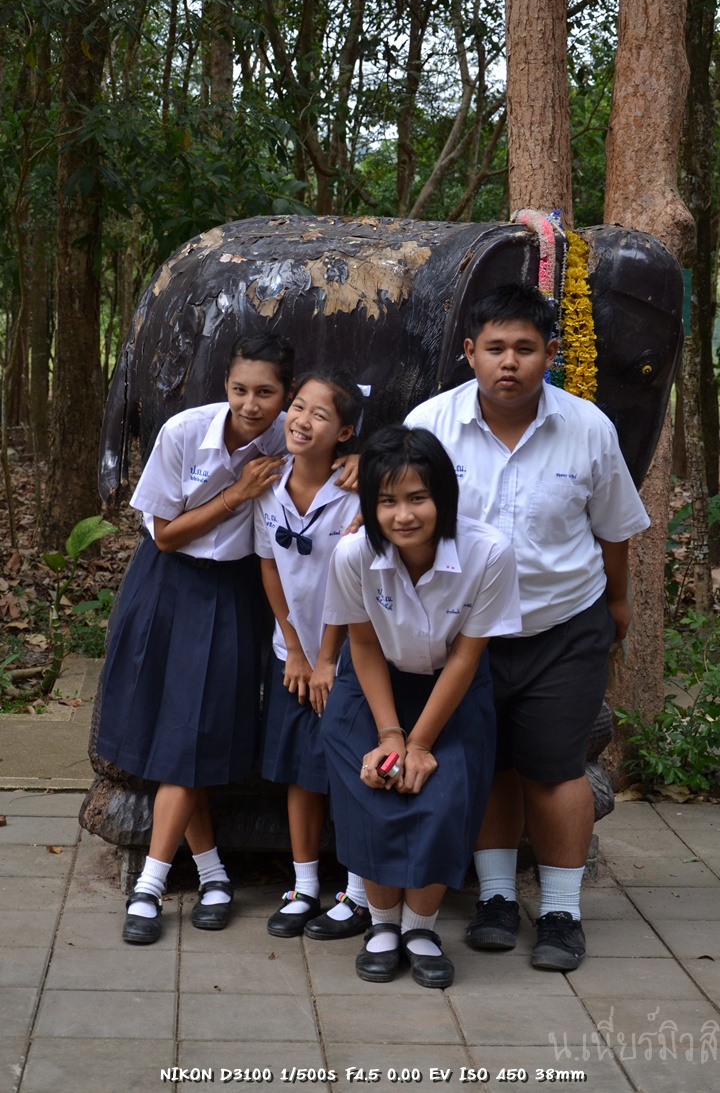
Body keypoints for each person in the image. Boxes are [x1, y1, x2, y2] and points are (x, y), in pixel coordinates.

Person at [405, 283, 650, 971]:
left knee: (554, 766)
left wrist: (619, 603)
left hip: (564, 622)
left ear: (551, 353)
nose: (508, 362)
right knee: (488, 762)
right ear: (469, 351)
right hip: (465, 630)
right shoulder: (431, 424)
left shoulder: (587, 427)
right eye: (494, 348)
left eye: (524, 348)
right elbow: (401, 513)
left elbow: (614, 529)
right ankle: (495, 899)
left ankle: (563, 913)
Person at [97, 333, 293, 944]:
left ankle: (170, 883)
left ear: (285, 394)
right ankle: (192, 878)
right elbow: (165, 534)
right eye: (240, 390)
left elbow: (344, 450)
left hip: (235, 591)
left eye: (266, 393)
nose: (251, 405)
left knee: (192, 733)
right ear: (225, 385)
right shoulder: (185, 432)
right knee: (177, 734)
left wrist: (357, 461)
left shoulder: (289, 435)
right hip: (167, 582)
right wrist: (238, 493)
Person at [321, 425, 521, 988]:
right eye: (387, 501)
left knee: (443, 796)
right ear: (370, 504)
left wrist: (421, 743)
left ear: (444, 498)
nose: (403, 515)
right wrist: (390, 736)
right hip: (372, 685)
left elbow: (466, 656)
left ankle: (421, 929)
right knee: (375, 789)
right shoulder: (353, 554)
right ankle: (383, 925)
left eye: (418, 498)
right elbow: (362, 646)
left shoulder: (488, 552)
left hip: (451, 688)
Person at [255, 368, 372, 940]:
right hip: (293, 654)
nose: (302, 420)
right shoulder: (268, 484)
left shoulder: (355, 494)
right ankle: (304, 888)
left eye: (320, 414)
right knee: (299, 770)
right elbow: (270, 568)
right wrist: (297, 653)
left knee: (351, 770)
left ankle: (359, 893)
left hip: (348, 658)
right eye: (297, 407)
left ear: (344, 433)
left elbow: (349, 583)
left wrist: (326, 660)